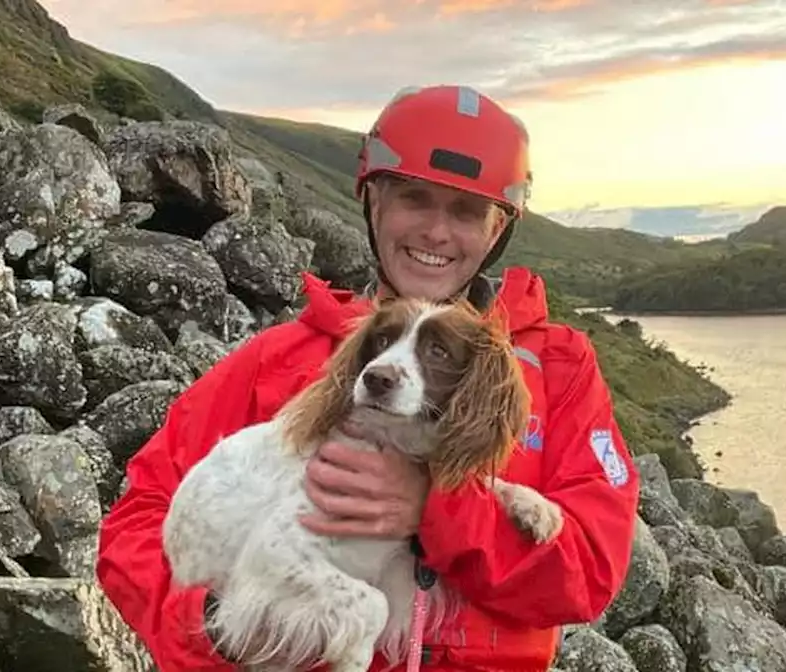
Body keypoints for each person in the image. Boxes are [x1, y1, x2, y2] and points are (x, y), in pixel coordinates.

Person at [95, 84, 641, 672]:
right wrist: (211, 628)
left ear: (498, 227)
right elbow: (138, 523)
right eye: (414, 198)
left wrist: (434, 509)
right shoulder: (275, 359)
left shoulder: (558, 369)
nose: (436, 232)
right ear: (374, 202)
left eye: (466, 210)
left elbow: (588, 573)